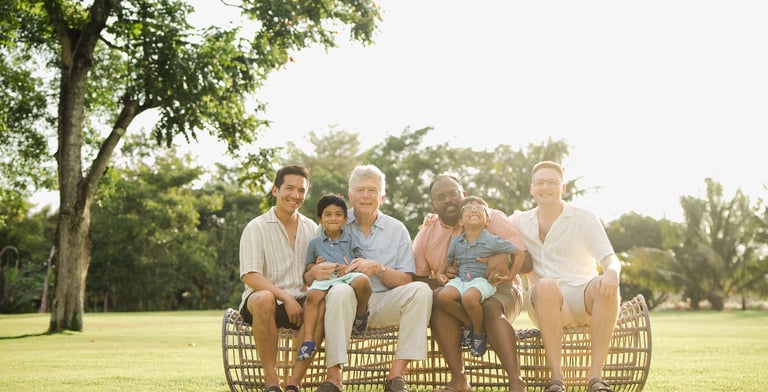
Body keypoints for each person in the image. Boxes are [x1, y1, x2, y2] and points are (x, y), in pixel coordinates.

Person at [306, 164, 433, 392]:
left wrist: (377, 268)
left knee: (421, 291)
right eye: (360, 189)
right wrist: (314, 272)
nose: (366, 195)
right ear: (350, 195)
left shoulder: (397, 229)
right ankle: (334, 377)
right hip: (345, 304)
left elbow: (406, 279)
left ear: (382, 197)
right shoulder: (330, 223)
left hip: (384, 302)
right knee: (340, 291)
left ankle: (396, 377)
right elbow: (309, 275)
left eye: (372, 190)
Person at [509, 160, 621, 392]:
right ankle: (557, 380)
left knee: (604, 282)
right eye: (539, 182)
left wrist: (612, 272)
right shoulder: (520, 220)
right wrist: (435, 222)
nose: (545, 187)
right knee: (546, 285)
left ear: (563, 188)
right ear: (532, 188)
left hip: (583, 295)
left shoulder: (584, 217)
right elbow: (485, 219)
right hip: (546, 301)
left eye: (552, 182)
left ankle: (596, 379)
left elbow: (610, 258)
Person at [412, 175, 530, 392]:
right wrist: (444, 277)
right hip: (457, 296)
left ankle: (516, 382)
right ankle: (460, 380)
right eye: (440, 197)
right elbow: (419, 281)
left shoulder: (490, 218)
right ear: (432, 204)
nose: (448, 200)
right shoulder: (426, 234)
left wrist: (503, 258)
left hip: (500, 288)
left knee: (489, 306)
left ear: (463, 195)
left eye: (453, 194)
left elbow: (527, 261)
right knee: (438, 298)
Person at [238, 165, 320, 392]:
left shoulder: (312, 228)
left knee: (321, 302)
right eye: (289, 188)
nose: (295, 196)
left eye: (301, 191)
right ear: (275, 190)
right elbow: (250, 275)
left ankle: (294, 382)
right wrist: (286, 298)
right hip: (263, 303)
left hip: (301, 301)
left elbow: (313, 271)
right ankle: (272, 381)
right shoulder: (256, 227)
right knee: (264, 297)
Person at [435, 196, 526, 358]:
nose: (474, 210)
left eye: (479, 208)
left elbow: (519, 253)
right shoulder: (457, 242)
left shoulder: (492, 241)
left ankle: (478, 334)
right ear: (461, 221)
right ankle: (469, 323)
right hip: (462, 279)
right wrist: (441, 273)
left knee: (469, 297)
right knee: (444, 296)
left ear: (487, 220)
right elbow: (448, 261)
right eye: (468, 209)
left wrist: (511, 275)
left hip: (482, 281)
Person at [297, 194, 372, 361]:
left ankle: (360, 315)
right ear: (320, 219)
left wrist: (349, 267)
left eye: (338, 214)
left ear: (345, 219)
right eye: (328, 214)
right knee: (312, 296)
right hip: (325, 278)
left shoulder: (351, 239)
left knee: (363, 281)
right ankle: (308, 340)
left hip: (346, 275)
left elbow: (361, 261)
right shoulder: (315, 243)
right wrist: (315, 267)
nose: (333, 218)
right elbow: (308, 267)